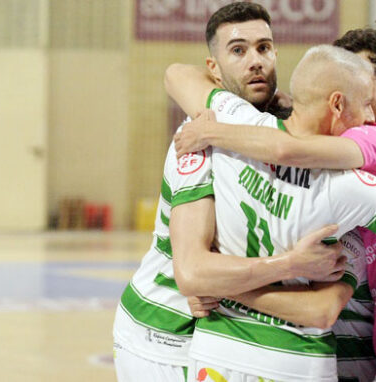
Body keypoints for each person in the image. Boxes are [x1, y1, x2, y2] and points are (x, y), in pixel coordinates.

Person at [170, 27, 376, 382]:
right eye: (356, 93)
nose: (367, 114)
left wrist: (212, 132)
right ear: (336, 100)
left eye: (368, 93)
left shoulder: (370, 147)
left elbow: (288, 148)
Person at [111, 4, 345, 381]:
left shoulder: (283, 132)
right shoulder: (201, 133)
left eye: (264, 48)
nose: (255, 61)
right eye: (238, 51)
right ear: (213, 70)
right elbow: (193, 271)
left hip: (227, 331)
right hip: (162, 332)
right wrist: (292, 264)